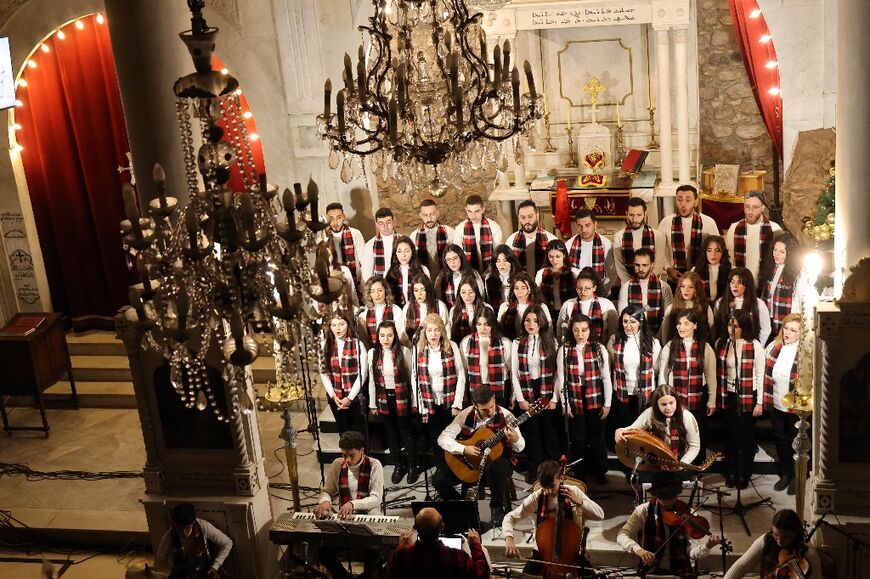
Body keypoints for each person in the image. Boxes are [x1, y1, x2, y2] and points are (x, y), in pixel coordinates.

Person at [434, 385, 524, 526]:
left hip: (497, 462)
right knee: (439, 480)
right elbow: (443, 438)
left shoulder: (507, 416)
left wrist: (515, 439)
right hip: (470, 463)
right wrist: (464, 449)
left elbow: (520, 447)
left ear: (494, 399)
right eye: (484, 409)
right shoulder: (465, 414)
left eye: (491, 407)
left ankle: (497, 508)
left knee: (497, 468)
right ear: (474, 405)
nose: (489, 412)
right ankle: (463, 510)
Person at [502, 460, 605, 575]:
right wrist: (509, 538)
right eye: (545, 487)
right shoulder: (535, 498)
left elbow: (600, 515)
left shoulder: (573, 491)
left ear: (561, 479)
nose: (549, 491)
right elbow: (509, 518)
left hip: (571, 553)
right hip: (543, 553)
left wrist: (580, 502)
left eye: (552, 486)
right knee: (525, 577)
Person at [617, 471, 721, 578]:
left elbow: (692, 553)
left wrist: (707, 546)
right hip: (652, 569)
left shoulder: (688, 513)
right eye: (663, 498)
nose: (667, 503)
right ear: (656, 495)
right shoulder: (643, 511)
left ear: (676, 495)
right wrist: (639, 550)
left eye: (671, 498)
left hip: (680, 570)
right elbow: (622, 535)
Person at [314, 430, 384, 579]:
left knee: (374, 554)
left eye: (351, 455)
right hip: (344, 520)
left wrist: (353, 504)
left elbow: (376, 499)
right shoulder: (338, 464)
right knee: (323, 552)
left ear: (362, 451)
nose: (346, 459)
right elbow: (327, 490)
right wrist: (325, 501)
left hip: (368, 518)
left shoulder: (374, 465)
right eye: (343, 455)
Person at [555, 313, 612, 484]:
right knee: (578, 438)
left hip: (594, 396)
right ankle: (580, 472)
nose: (580, 334)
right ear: (571, 331)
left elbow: (606, 378)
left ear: (590, 330)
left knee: (596, 437)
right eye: (576, 330)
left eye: (584, 330)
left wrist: (607, 403)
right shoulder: (565, 349)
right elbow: (562, 379)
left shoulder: (599, 349)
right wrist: (565, 403)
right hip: (575, 396)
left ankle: (599, 471)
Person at [715, 310, 767, 489]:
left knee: (746, 436)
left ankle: (744, 472)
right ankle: (731, 470)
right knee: (730, 435)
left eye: (735, 326)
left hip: (747, 394)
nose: (731, 329)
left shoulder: (754, 346)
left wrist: (759, 402)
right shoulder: (722, 343)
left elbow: (760, 374)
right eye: (730, 325)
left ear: (743, 327)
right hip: (728, 394)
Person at [659, 309, 717, 463]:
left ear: (695, 326)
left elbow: (711, 376)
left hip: (697, 397)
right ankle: (678, 464)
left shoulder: (705, 347)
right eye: (679, 323)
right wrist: (662, 400)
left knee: (697, 432)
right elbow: (662, 376)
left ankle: (697, 465)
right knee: (676, 433)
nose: (681, 327)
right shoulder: (670, 346)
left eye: (686, 323)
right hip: (675, 399)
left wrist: (712, 400)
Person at [412, 314, 466, 469]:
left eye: (436, 330)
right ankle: (442, 470)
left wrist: (457, 403)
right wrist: (420, 405)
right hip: (430, 404)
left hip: (449, 403)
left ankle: (455, 469)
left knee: (451, 438)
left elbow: (461, 375)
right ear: (424, 332)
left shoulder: (451, 346)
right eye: (429, 330)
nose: (433, 334)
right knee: (436, 440)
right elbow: (414, 378)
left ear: (442, 331)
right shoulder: (419, 349)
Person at [368, 321, 419, 484]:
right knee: (390, 432)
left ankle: (412, 466)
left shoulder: (404, 351)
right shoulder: (373, 353)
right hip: (384, 397)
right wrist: (372, 403)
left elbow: (413, 378)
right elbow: (371, 381)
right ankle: (399, 465)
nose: (386, 339)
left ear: (394, 335)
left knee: (406, 431)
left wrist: (414, 401)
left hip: (402, 396)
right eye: (382, 335)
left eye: (389, 335)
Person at [511, 305, 560, 476]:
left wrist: (554, 398)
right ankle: (535, 470)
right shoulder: (517, 342)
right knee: (532, 433)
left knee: (549, 432)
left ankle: (551, 472)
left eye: (535, 321)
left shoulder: (551, 342)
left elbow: (557, 373)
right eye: (527, 320)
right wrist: (520, 399)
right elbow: (514, 373)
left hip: (545, 389)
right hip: (527, 389)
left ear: (542, 322)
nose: (531, 324)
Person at [385, 507, 489, 579]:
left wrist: (400, 548)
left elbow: (387, 574)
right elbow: (482, 575)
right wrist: (476, 546)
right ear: (442, 526)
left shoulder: (401, 556)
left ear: (415, 528)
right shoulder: (458, 556)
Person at [763, 313, 802, 495]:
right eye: (786, 328)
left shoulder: (804, 351)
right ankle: (786, 474)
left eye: (793, 330)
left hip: (796, 407)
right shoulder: (774, 347)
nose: (788, 332)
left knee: (797, 441)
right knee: (781, 439)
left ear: (802, 333)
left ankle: (797, 476)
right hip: (776, 402)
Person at [615, 384, 701, 466]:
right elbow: (632, 430)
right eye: (663, 404)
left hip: (680, 459)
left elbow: (694, 446)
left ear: (676, 401)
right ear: (657, 405)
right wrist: (620, 431)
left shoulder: (687, 417)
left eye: (671, 403)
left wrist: (681, 464)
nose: (668, 408)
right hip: (656, 459)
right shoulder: (650, 413)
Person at [608, 305, 662, 434]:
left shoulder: (653, 343)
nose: (628, 326)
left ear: (640, 322)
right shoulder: (614, 341)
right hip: (622, 392)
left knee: (643, 430)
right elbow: (612, 365)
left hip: (644, 393)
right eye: (625, 321)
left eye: (633, 322)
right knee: (626, 429)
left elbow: (656, 368)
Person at [724, 509, 822, 579]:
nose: (779, 541)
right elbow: (742, 565)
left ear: (796, 532)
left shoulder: (809, 553)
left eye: (785, 537)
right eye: (776, 535)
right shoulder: (767, 540)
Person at [658, 184, 719, 283]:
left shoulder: (708, 222)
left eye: (688, 200)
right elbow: (659, 252)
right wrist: (668, 269)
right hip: (675, 279)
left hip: (702, 279)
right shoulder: (666, 223)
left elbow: (718, 250)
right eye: (680, 199)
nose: (683, 204)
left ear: (695, 202)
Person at [320, 310, 367, 436]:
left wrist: (349, 398)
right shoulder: (326, 345)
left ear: (348, 324)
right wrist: (333, 395)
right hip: (336, 397)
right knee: (344, 434)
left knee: (359, 435)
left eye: (341, 324)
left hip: (355, 398)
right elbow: (323, 372)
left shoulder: (357, 344)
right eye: (334, 325)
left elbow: (363, 374)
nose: (337, 328)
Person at [156, 503, 233, 579]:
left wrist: (215, 566)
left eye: (187, 528)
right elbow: (161, 561)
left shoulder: (204, 526)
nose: (184, 532)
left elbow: (227, 543)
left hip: (204, 570)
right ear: (174, 524)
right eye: (179, 528)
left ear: (193, 522)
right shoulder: (168, 537)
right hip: (181, 573)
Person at [724, 190, 782, 283]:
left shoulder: (774, 229)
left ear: (763, 207)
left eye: (755, 207)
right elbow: (730, 260)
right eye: (747, 207)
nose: (750, 212)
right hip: (741, 284)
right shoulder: (734, 228)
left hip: (765, 284)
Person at [757, 233, 806, 341]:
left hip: (786, 321)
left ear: (790, 253)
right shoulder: (771, 268)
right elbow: (766, 295)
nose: (776, 254)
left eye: (782, 252)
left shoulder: (798, 272)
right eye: (775, 250)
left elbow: (800, 300)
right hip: (769, 321)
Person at [460, 308, 513, 408]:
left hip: (500, 388)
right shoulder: (466, 342)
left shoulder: (505, 343)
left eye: (486, 324)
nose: (482, 329)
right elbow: (464, 371)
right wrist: (464, 395)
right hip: (477, 388)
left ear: (493, 324)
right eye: (479, 324)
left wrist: (513, 394)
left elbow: (512, 371)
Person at [617, 247, 674, 335]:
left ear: (652, 265)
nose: (640, 269)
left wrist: (657, 339)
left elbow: (667, 318)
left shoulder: (664, 287)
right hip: (633, 335)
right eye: (637, 265)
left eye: (644, 265)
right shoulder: (626, 287)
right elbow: (623, 316)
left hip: (657, 335)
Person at [613, 197, 669, 284]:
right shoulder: (619, 236)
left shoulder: (658, 236)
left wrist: (645, 283)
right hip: (627, 284)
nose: (635, 219)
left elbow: (658, 264)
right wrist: (631, 284)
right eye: (631, 215)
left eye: (639, 215)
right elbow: (619, 266)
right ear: (626, 213)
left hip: (651, 284)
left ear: (645, 214)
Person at [556, 268, 618, 344]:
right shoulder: (568, 304)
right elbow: (560, 331)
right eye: (579, 288)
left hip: (599, 349)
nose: (582, 292)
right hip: (573, 348)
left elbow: (613, 333)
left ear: (594, 288)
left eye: (587, 288)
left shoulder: (606, 304)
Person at [713, 267, 772, 345]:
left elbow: (766, 330)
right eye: (732, 282)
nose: (735, 286)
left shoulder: (759, 304)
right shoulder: (720, 302)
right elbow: (717, 327)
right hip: (726, 347)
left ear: (747, 285)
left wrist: (757, 347)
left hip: (749, 346)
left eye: (739, 282)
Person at [567, 208, 616, 296]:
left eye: (587, 225)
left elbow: (611, 274)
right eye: (580, 226)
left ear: (595, 224)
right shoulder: (569, 245)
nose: (583, 230)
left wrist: (600, 291)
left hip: (600, 293)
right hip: (576, 293)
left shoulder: (606, 244)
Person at [453, 194, 503, 274]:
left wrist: (489, 272)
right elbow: (458, 256)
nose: (473, 216)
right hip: (468, 272)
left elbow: (498, 254)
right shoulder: (460, 229)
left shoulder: (493, 227)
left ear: (483, 209)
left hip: (491, 271)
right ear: (466, 210)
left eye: (477, 211)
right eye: (469, 211)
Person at [660, 271, 715, 344]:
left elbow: (712, 334)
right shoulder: (671, 308)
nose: (686, 290)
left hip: (699, 349)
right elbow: (665, 336)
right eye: (683, 286)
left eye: (691, 287)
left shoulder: (705, 308)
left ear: (697, 289)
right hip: (676, 349)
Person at [506, 200, 557, 274]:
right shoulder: (511, 241)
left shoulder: (551, 240)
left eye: (530, 216)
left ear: (537, 215)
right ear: (519, 218)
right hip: (520, 283)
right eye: (523, 217)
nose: (527, 221)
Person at [535, 239, 582, 322]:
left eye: (558, 256)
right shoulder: (541, 273)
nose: (554, 260)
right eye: (551, 257)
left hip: (570, 311)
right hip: (549, 312)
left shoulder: (574, 272)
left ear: (564, 255)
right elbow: (538, 294)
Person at [497, 272, 550, 341]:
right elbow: (499, 330)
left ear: (530, 289)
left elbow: (548, 330)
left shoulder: (541, 307)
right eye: (516, 288)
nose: (519, 292)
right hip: (511, 344)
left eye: (523, 288)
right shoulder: (505, 307)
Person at [326, 202, 366, 287]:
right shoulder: (324, 238)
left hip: (356, 282)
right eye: (331, 219)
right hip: (335, 283)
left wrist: (363, 284)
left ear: (343, 217)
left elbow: (364, 261)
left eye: (338, 218)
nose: (335, 222)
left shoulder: (355, 233)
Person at [357, 276, 405, 348]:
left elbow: (400, 335)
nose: (377, 295)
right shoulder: (364, 312)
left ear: (385, 291)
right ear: (369, 294)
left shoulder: (396, 310)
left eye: (380, 290)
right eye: (372, 291)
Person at [411, 199, 454, 278]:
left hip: (447, 276)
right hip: (424, 279)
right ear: (420, 215)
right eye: (425, 215)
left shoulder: (449, 232)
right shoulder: (414, 236)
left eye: (432, 214)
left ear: (437, 213)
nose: (429, 218)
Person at [402, 274, 449, 344]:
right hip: (414, 347)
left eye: (422, 290)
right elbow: (404, 334)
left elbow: (446, 332)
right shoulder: (407, 307)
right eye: (416, 290)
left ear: (428, 290)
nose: (419, 294)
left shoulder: (440, 306)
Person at [434, 244, 485, 309]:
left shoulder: (473, 273)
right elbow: (439, 301)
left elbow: (481, 296)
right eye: (448, 260)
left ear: (461, 257)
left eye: (455, 258)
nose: (452, 262)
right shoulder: (441, 277)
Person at [385, 235, 430, 307]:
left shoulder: (423, 270)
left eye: (407, 251)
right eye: (399, 251)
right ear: (395, 253)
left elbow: (428, 294)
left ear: (412, 251)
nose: (403, 255)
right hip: (397, 311)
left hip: (418, 310)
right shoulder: (389, 272)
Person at [449, 277, 492, 344]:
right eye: (463, 292)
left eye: (471, 292)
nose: (467, 296)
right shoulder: (454, 310)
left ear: (476, 292)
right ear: (459, 294)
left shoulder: (486, 307)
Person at [691, 235, 732, 303]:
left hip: (724, 308)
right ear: (705, 252)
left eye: (717, 251)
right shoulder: (696, 270)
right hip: (701, 308)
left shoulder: (731, 270)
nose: (713, 254)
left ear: (723, 252)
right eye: (709, 250)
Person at [362, 207, 399, 281]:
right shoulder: (370, 245)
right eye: (381, 223)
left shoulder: (402, 240)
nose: (385, 227)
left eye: (388, 222)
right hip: (380, 285)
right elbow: (367, 274)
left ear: (393, 221)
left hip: (400, 282)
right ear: (377, 224)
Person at [483, 245, 521, 312]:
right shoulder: (489, 278)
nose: (502, 264)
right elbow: (489, 300)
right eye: (498, 261)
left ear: (511, 261)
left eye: (505, 260)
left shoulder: (520, 277)